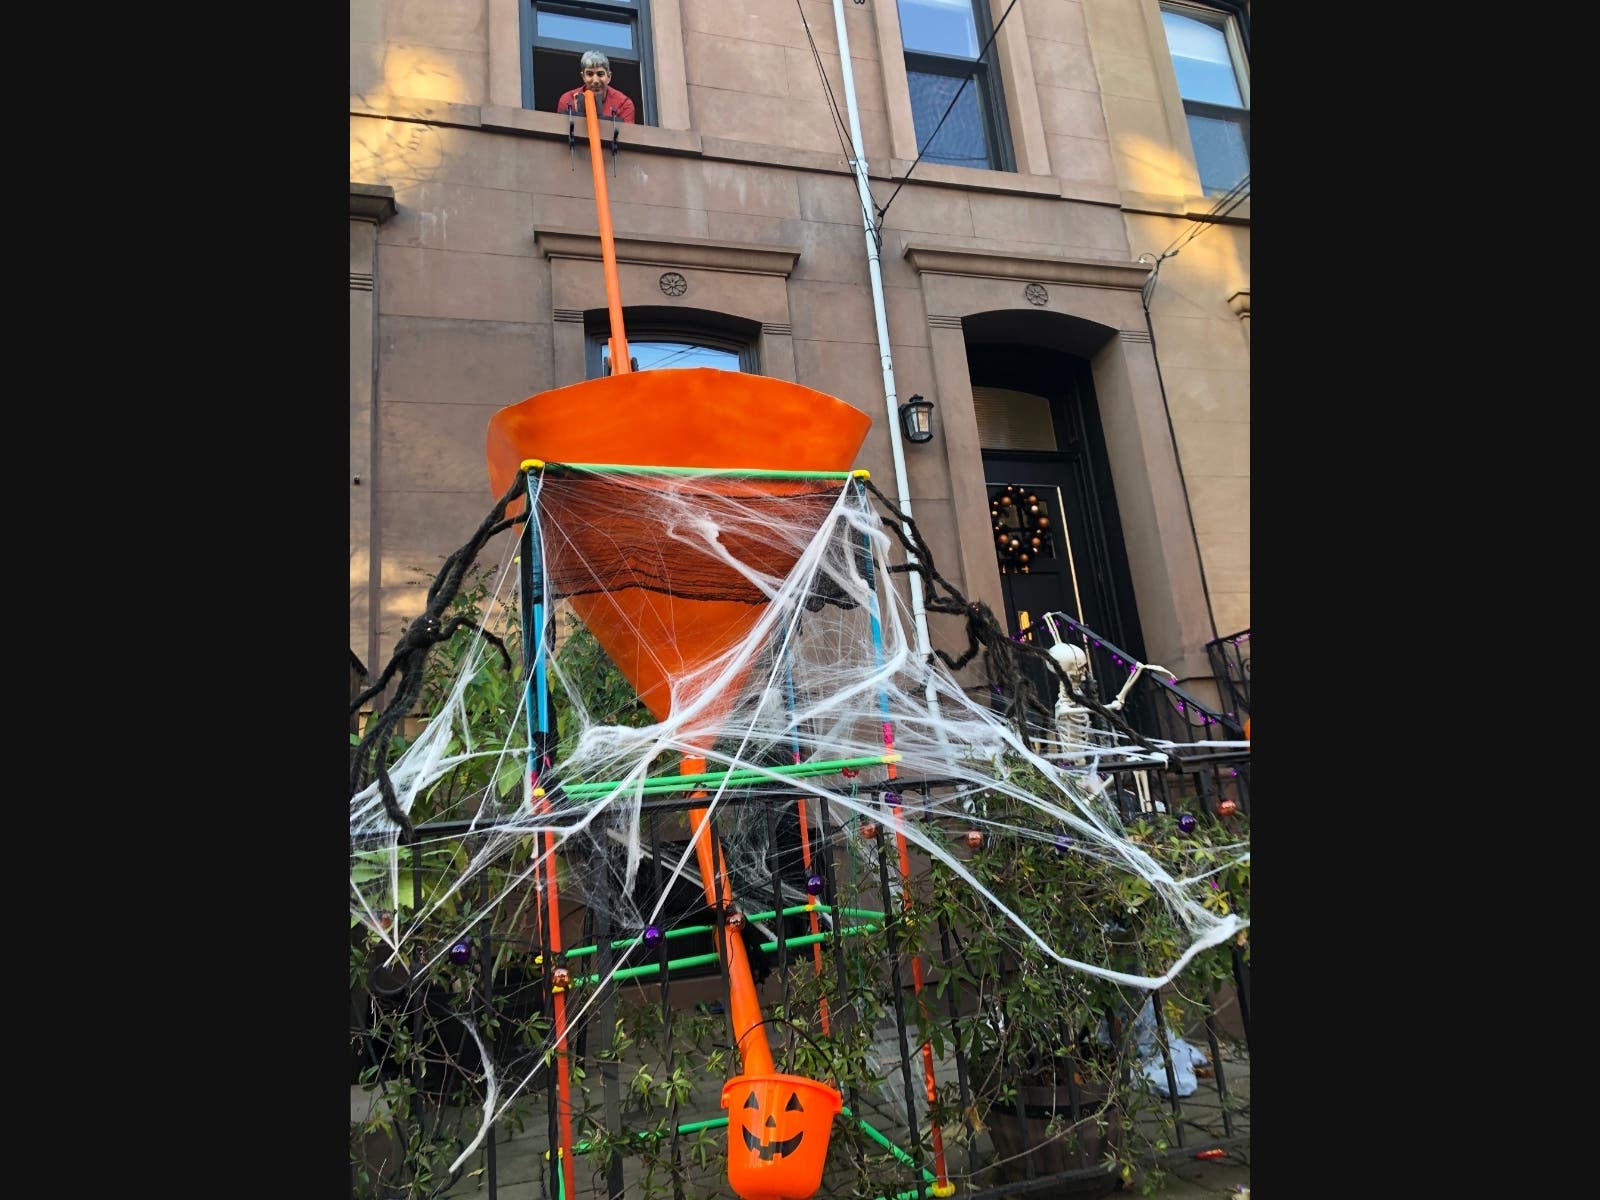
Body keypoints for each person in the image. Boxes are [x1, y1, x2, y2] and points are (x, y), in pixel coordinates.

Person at [557, 50, 636, 123]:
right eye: (590, 74)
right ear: (583, 76)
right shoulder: (567, 100)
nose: (595, 81)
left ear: (609, 76)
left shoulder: (623, 104)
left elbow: (627, 136)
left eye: (600, 74)